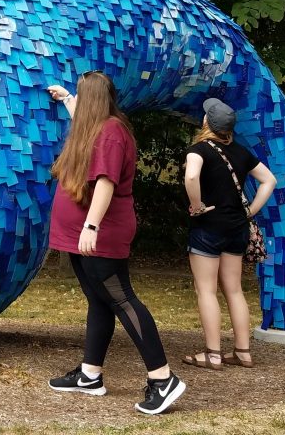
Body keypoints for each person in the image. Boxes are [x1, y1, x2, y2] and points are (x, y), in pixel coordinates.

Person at [43, 71, 186, 415]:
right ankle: (90, 375)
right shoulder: (96, 126)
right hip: (80, 233)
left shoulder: (110, 133)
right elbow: (80, 114)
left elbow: (105, 182)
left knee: (122, 299)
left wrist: (91, 225)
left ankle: (163, 378)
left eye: (80, 95)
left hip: (99, 232)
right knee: (100, 300)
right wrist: (65, 99)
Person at [181, 98, 276, 370]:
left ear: (206, 123)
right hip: (237, 228)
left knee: (206, 290)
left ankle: (212, 354)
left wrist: (197, 205)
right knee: (234, 290)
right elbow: (269, 180)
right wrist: (250, 211)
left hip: (208, 227)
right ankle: (243, 352)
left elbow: (191, 177)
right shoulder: (242, 152)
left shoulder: (197, 150)